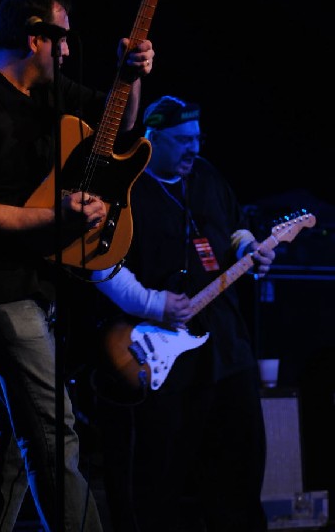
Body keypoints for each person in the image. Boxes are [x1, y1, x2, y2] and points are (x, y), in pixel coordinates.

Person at [0, 0, 154, 532]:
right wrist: (54, 220)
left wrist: (129, 78)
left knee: (13, 439)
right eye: (59, 38)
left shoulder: (47, 92)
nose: (66, 49)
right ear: (34, 37)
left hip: (30, 285)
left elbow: (118, 128)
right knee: (55, 431)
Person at [90, 95, 276, 532]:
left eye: (198, 138)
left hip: (226, 347)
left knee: (239, 466)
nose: (194, 149)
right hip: (162, 356)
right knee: (163, 476)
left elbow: (234, 227)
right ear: (152, 140)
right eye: (182, 141)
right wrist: (153, 303)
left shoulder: (206, 175)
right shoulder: (126, 188)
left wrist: (249, 247)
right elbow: (97, 264)